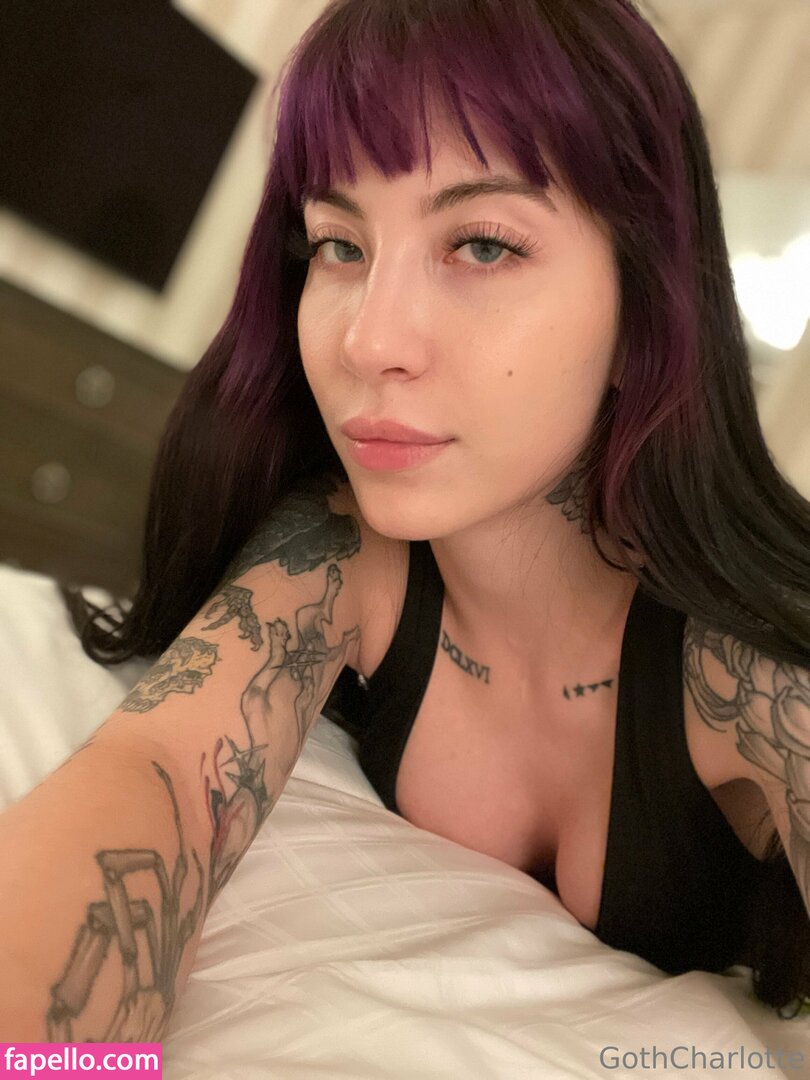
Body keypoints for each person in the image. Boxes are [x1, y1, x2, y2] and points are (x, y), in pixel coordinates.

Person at [61, 0, 810, 1023]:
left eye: (484, 246)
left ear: (646, 312)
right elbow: (155, 777)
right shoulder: (345, 550)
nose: (369, 342)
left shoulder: (757, 668)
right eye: (338, 245)